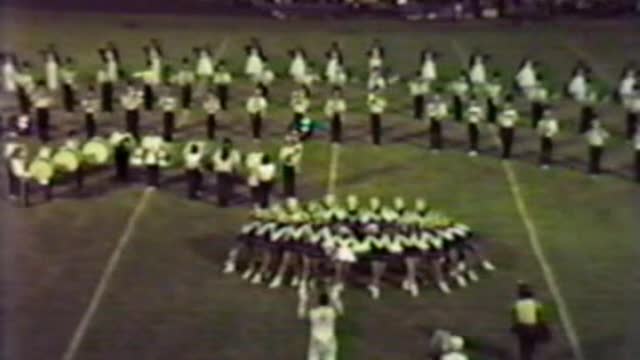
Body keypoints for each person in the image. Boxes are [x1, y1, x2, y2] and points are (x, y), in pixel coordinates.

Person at [298, 283, 343, 360]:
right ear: (328, 302)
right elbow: (340, 311)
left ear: (318, 302)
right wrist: (335, 296)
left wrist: (303, 300)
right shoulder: (332, 312)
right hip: (329, 339)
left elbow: (301, 315)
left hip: (316, 340)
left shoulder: (313, 313)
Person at [511, 283, 550, 360]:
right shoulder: (536, 304)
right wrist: (544, 328)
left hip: (522, 329)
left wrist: (515, 327)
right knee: (531, 346)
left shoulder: (516, 305)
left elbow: (515, 318)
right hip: (532, 329)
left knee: (523, 347)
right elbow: (540, 317)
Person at [212, 138, 240, 207]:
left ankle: (221, 200)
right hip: (228, 171)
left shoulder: (218, 152)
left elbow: (214, 160)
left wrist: (218, 165)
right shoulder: (234, 152)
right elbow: (236, 162)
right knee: (227, 187)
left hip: (219, 170)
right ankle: (224, 200)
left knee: (221, 186)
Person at [279, 134, 304, 199]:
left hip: (292, 166)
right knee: (287, 180)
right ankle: (287, 192)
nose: (289, 143)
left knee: (291, 180)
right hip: (286, 165)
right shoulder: (285, 149)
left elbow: (296, 157)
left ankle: (291, 193)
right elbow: (282, 157)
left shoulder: (295, 148)